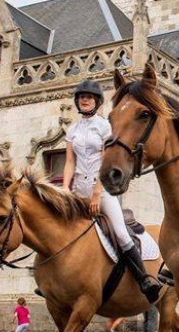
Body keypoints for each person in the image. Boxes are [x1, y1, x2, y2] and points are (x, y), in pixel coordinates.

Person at [63, 79, 161, 303]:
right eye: (81, 97)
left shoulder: (105, 127)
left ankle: (144, 279)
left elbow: (107, 159)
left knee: (120, 232)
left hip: (102, 189)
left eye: (89, 97)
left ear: (97, 101)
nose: (84, 100)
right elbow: (70, 162)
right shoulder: (72, 130)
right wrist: (65, 188)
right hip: (78, 189)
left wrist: (98, 192)